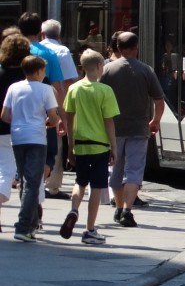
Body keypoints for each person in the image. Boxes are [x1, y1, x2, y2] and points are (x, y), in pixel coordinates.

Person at [100, 32, 165, 228]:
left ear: (118, 48)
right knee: (134, 170)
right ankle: (128, 210)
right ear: (136, 47)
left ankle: (119, 208)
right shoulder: (146, 70)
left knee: (116, 170)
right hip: (139, 128)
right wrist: (155, 120)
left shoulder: (107, 70)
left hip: (114, 129)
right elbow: (159, 100)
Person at [59, 49, 119, 245]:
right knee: (96, 187)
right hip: (100, 146)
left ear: (82, 68)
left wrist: (70, 147)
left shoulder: (74, 89)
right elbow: (108, 121)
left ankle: (74, 209)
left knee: (80, 182)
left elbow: (69, 118)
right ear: (100, 66)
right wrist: (114, 147)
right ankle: (90, 229)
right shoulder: (105, 91)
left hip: (80, 145)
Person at [2, 56, 61, 242]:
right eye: (43, 70)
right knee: (32, 182)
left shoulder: (14, 88)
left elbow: (4, 115)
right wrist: (53, 123)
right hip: (36, 137)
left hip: (17, 137)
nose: (44, 74)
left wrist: (20, 122)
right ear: (37, 71)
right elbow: (53, 116)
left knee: (25, 181)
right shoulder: (46, 89)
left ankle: (32, 225)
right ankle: (23, 226)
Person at [16, 13, 65, 207]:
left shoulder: (11, 52)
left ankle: (28, 193)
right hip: (44, 117)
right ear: (40, 32)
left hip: (16, 118)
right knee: (47, 158)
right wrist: (62, 118)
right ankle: (34, 194)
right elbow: (57, 88)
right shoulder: (48, 54)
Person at [41, 18, 80, 198]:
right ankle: (52, 186)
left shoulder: (34, 49)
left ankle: (33, 179)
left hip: (33, 102)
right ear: (59, 36)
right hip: (56, 102)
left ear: (43, 34)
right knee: (55, 144)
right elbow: (68, 81)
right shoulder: (62, 51)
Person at [0, 33, 32, 234]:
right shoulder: (27, 77)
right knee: (11, 173)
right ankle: (32, 217)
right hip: (20, 131)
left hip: (2, 130)